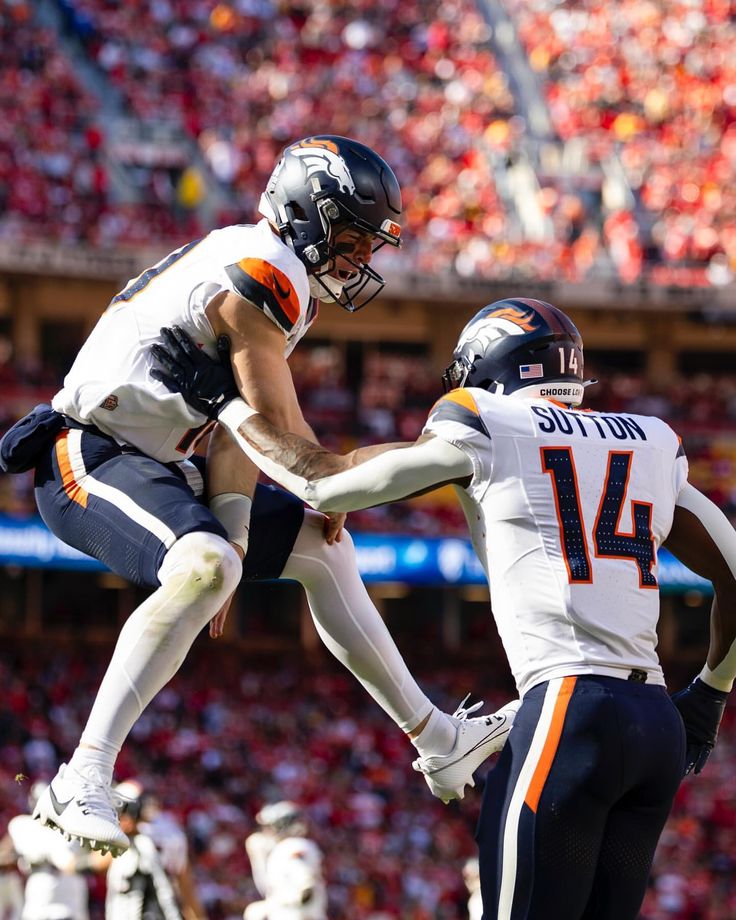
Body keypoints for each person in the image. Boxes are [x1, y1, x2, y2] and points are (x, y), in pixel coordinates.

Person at [0, 135, 517, 857]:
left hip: (162, 460)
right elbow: (291, 449)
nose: (363, 259)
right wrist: (367, 474)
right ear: (308, 214)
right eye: (353, 237)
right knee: (212, 560)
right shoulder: (263, 273)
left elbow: (236, 434)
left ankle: (439, 739)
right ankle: (81, 773)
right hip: (91, 453)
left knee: (320, 548)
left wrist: (242, 537)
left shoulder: (266, 270)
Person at [152, 296, 736, 920]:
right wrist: (708, 697)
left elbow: (323, 482)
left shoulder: (486, 419)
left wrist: (229, 406)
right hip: (655, 725)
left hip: (571, 708)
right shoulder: (649, 439)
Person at [95, 781, 182, 920]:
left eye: (121, 812)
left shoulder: (146, 843)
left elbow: (167, 889)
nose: (118, 819)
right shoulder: (124, 843)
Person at [4, 782, 90, 920]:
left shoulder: (74, 826)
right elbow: (4, 854)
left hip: (71, 896)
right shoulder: (23, 825)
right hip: (41, 895)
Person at [243, 801, 326, 920]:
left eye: (270, 826)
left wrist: (280, 904)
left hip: (297, 914)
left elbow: (305, 883)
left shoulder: (292, 846)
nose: (267, 831)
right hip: (297, 912)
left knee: (254, 912)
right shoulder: (290, 847)